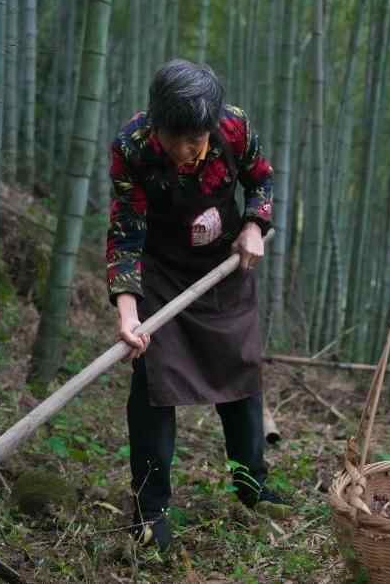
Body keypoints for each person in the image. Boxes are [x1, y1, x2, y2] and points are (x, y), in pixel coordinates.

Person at [106, 59, 288, 553]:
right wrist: (128, 312)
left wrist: (254, 225)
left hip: (223, 267)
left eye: (199, 139)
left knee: (240, 370)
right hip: (162, 272)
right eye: (180, 139)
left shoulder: (233, 126)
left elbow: (263, 181)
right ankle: (151, 512)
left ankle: (252, 487)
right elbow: (126, 229)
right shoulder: (133, 147)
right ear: (157, 125)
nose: (191, 150)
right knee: (153, 384)